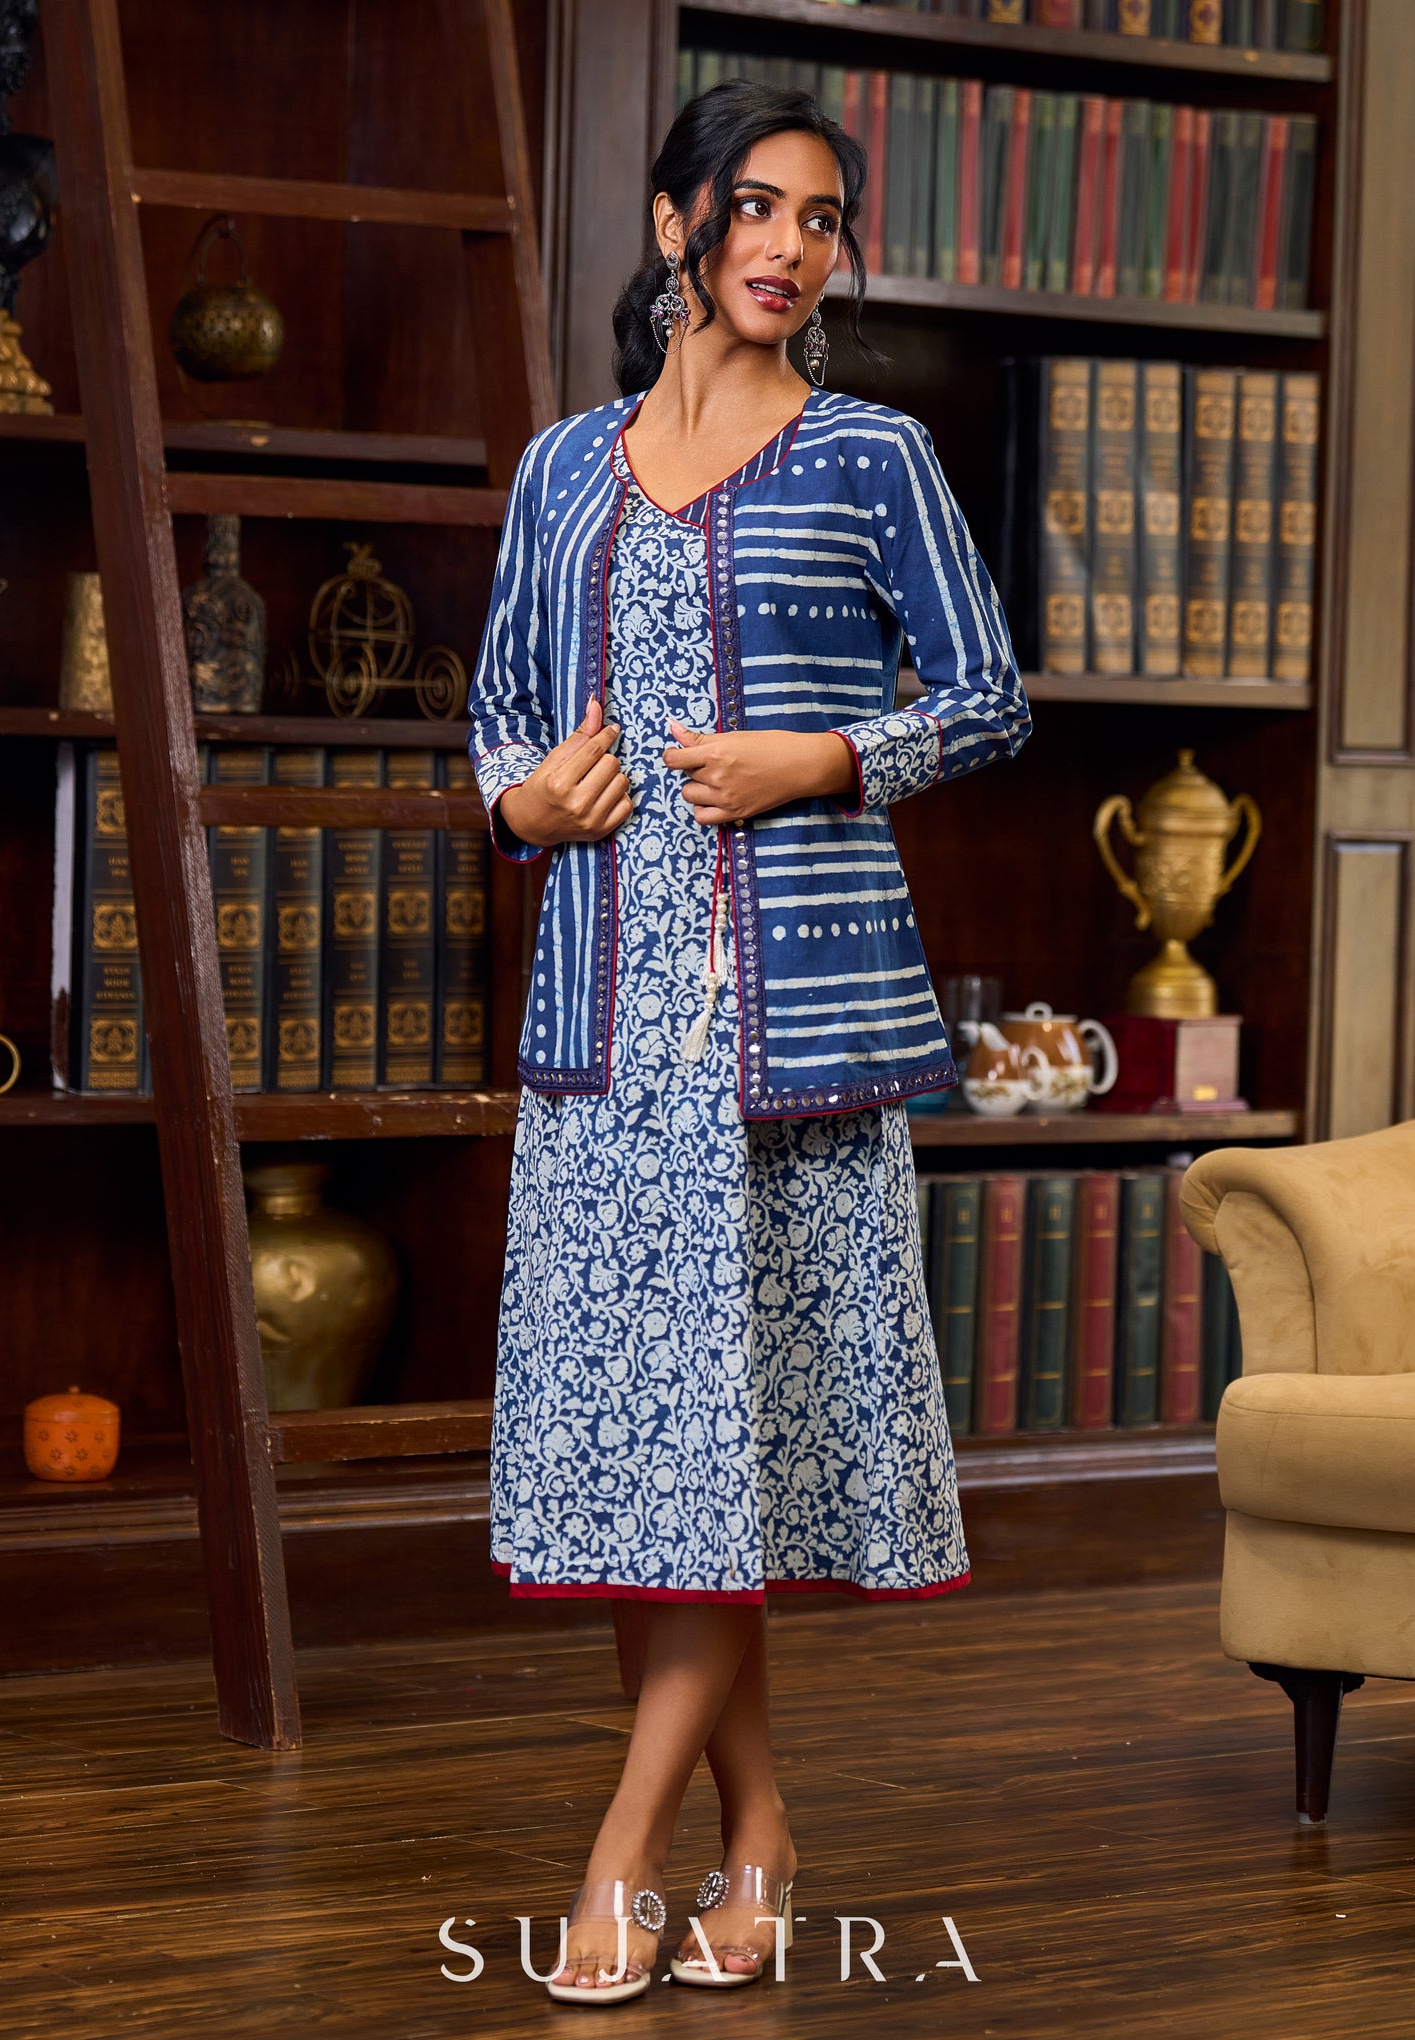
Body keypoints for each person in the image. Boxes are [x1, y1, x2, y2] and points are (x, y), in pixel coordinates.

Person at [465, 77, 1029, 2006]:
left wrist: (823, 757)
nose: (791, 246)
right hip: (604, 1041)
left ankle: (620, 1856)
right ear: (677, 222)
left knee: (727, 1457)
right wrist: (521, 807)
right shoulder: (564, 468)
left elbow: (985, 696)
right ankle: (761, 1834)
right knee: (660, 1486)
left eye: (822, 217)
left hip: (785, 1043)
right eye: (759, 207)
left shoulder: (872, 454)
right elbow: (498, 713)